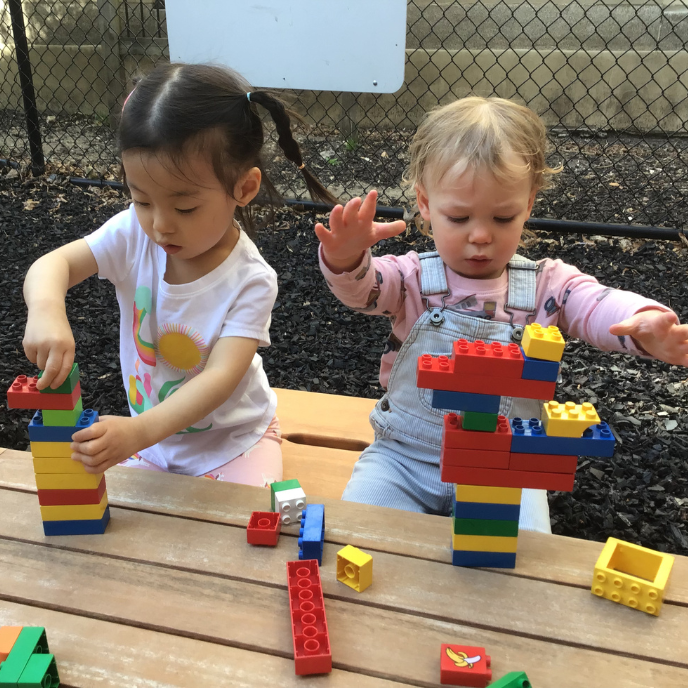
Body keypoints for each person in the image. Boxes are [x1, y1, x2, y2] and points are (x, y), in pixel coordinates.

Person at [315, 96, 688, 531]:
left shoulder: (547, 287)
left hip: (506, 463)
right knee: (360, 534)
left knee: (522, 561)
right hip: (405, 456)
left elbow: (594, 302)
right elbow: (364, 291)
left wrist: (642, 321)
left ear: (528, 205)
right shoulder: (412, 276)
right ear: (424, 203)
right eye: (458, 217)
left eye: (503, 217)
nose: (479, 236)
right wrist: (344, 258)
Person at [22, 62, 337, 486]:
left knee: (238, 533)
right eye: (141, 200)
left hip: (232, 443)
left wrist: (136, 433)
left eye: (185, 207)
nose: (161, 225)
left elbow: (220, 380)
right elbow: (52, 265)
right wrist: (45, 311)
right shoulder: (133, 234)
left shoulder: (250, 279)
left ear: (244, 188)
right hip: (150, 445)